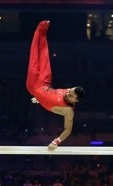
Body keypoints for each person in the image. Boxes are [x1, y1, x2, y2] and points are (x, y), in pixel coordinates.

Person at [26, 20, 85, 151]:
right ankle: (43, 33)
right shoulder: (68, 91)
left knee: (35, 58)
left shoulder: (68, 111)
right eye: (69, 90)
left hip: (34, 86)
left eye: (70, 95)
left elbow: (68, 130)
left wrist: (56, 141)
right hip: (45, 83)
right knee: (45, 56)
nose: (67, 92)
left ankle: (38, 30)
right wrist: (39, 98)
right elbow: (50, 94)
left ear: (76, 100)